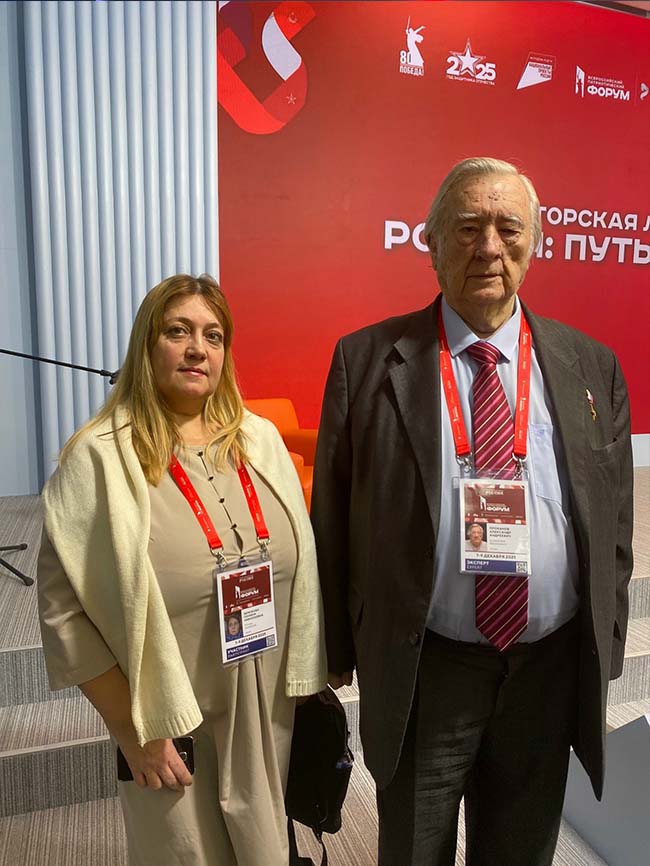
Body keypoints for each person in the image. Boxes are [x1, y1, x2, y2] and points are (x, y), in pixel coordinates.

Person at [311, 157, 633, 866]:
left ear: (535, 243)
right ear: (429, 242)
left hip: (547, 668)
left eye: (508, 228)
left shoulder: (592, 366)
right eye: (466, 227)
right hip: (429, 667)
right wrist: (333, 647)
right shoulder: (366, 361)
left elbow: (613, 522)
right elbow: (331, 520)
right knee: (414, 849)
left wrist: (605, 641)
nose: (489, 247)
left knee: (521, 850)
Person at [38, 273, 327, 866]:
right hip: (168, 716)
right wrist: (133, 730)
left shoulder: (259, 440)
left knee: (267, 849)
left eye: (213, 336)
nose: (198, 348)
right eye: (178, 331)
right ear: (148, 345)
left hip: (266, 700)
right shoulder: (99, 457)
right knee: (184, 853)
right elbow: (62, 611)